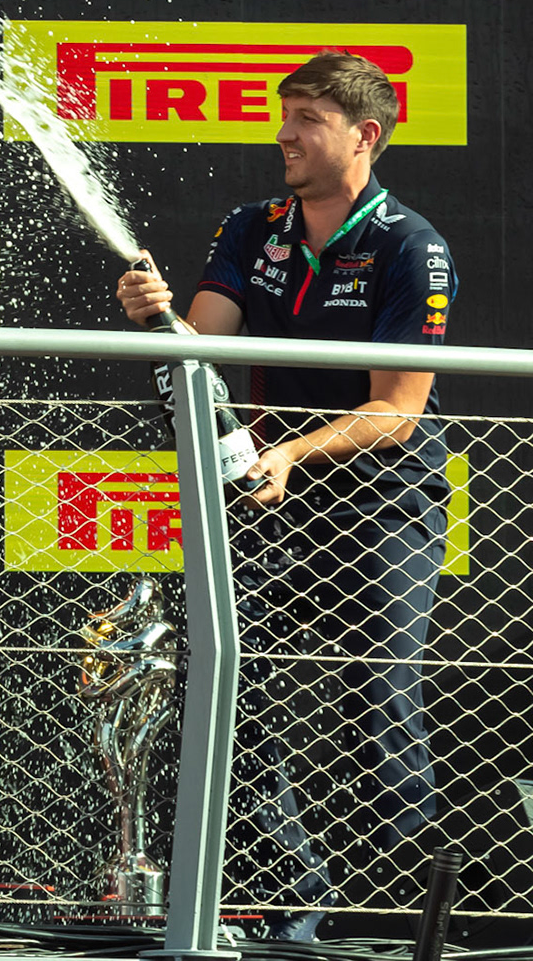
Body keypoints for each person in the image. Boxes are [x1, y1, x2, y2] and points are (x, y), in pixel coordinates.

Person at [115, 50, 456, 942]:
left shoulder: (410, 244)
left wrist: (297, 451)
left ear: (365, 136)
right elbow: (205, 344)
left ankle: (390, 918)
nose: (285, 134)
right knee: (234, 685)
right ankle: (285, 901)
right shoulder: (252, 224)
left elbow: (398, 410)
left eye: (307, 118)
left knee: (380, 693)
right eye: (286, 114)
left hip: (385, 494)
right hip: (271, 489)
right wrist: (158, 316)